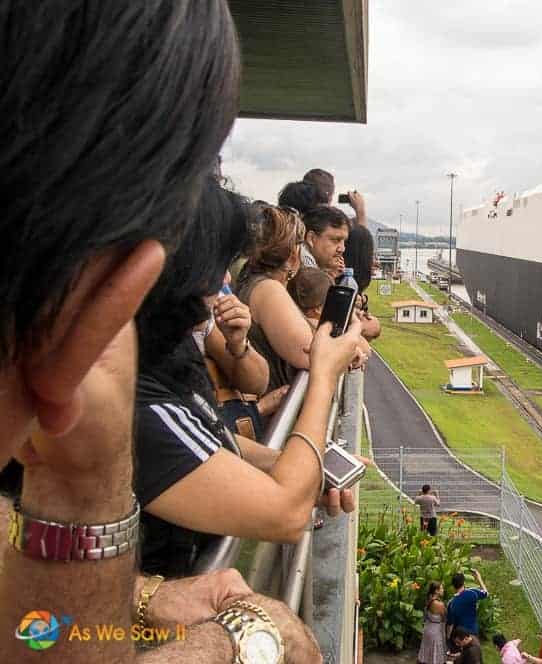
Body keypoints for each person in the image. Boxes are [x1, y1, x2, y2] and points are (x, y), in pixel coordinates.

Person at [0, 2, 322, 662]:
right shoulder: (126, 398)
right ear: (109, 298)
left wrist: (141, 595)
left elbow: (40, 632)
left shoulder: (105, 407)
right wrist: (245, 640)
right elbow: (283, 511)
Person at [134, 178, 366, 576]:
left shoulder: (169, 346)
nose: (225, 279)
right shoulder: (140, 404)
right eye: (219, 265)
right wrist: (324, 375)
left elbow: (212, 439)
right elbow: (286, 514)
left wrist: (295, 465)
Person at [235, 205, 315, 393]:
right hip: (274, 413)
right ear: (294, 255)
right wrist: (350, 343)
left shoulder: (251, 282)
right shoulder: (268, 290)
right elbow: (311, 354)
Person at [301, 205, 351, 276]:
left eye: (344, 242)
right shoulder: (302, 266)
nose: (342, 249)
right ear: (311, 238)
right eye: (336, 240)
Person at [446, 570, 489, 641]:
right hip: (473, 631)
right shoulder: (473, 593)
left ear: (453, 585)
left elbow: (450, 624)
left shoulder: (451, 603)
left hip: (460, 636)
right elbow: (486, 593)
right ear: (463, 582)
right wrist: (479, 578)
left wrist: (447, 637)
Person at [418, 582, 448, 664]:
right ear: (436, 591)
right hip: (436, 632)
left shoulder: (428, 599)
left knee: (427, 654)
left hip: (427, 629)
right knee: (436, 655)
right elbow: (445, 618)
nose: (443, 590)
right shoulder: (439, 604)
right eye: (441, 588)